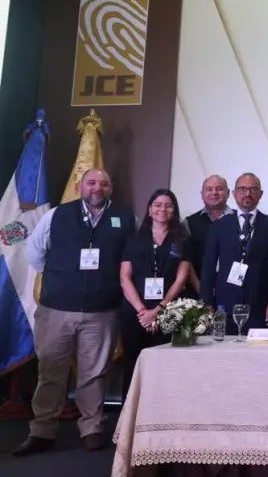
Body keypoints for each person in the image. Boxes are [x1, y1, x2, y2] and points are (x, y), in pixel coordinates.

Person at [13, 168, 136, 456]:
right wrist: (64, 277)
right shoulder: (56, 215)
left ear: (110, 188)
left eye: (103, 184)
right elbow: (35, 254)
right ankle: (42, 431)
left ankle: (92, 428)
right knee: (50, 372)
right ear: (80, 186)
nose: (97, 188)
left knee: (94, 373)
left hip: (102, 310)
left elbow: (131, 259)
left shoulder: (126, 218)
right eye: (91, 183)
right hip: (56, 309)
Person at [118, 189, 191, 399]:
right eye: (157, 205)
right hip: (135, 314)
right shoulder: (133, 239)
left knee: (166, 367)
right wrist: (143, 312)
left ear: (174, 210)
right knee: (133, 365)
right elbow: (125, 278)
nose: (162, 209)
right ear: (149, 209)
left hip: (169, 313)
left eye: (168, 205)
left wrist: (158, 310)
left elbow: (181, 279)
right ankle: (129, 414)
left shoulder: (183, 240)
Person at [201, 173, 268, 333]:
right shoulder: (218, 227)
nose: (247, 193)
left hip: (260, 303)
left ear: (260, 194)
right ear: (234, 193)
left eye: (253, 189)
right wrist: (207, 304)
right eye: (242, 189)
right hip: (225, 303)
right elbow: (208, 268)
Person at [183, 175, 231, 297]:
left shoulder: (240, 221)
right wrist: (201, 290)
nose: (214, 193)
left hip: (232, 293)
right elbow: (186, 261)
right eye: (209, 189)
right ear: (202, 194)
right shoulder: (189, 223)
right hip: (197, 292)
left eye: (219, 189)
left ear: (228, 193)